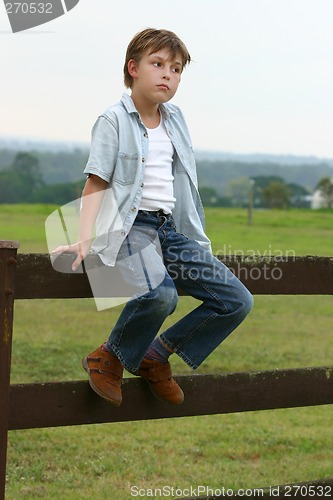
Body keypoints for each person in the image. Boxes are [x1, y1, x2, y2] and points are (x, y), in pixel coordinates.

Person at [53, 28, 253, 407]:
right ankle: (107, 357)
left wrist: (192, 240)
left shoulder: (176, 119)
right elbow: (96, 184)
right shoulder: (113, 119)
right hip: (131, 227)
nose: (168, 75)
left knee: (236, 301)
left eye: (176, 70)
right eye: (158, 64)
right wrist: (84, 237)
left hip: (169, 229)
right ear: (133, 68)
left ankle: (154, 355)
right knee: (159, 295)